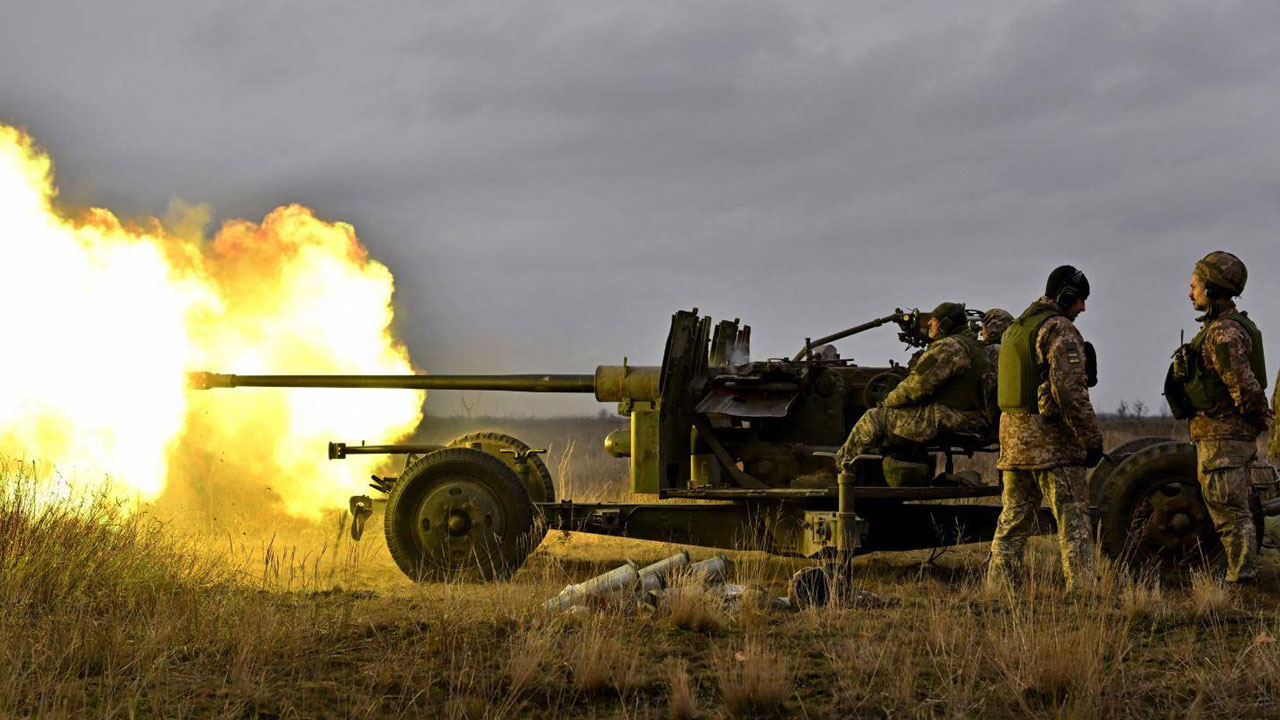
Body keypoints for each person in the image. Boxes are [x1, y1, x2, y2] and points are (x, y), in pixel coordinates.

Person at [987, 266, 1103, 593]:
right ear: (1065, 295)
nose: (1082, 308)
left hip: (1013, 444)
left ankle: (998, 592)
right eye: (1080, 299)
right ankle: (1083, 593)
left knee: (1012, 522)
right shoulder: (1059, 330)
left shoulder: (1015, 330)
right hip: (1052, 446)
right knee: (1074, 521)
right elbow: (1070, 391)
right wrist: (1091, 440)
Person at [1168, 251, 1271, 583]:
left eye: (1195, 285)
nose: (1190, 292)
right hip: (1218, 435)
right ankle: (1241, 575)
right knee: (1228, 508)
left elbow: (1244, 386)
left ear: (1212, 289)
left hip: (1224, 437)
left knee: (1231, 512)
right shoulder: (1218, 328)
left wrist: (1257, 418)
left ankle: (1243, 580)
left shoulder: (1223, 332)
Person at [836, 302, 991, 465]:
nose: (930, 323)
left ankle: (839, 469)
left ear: (945, 324)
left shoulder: (949, 347)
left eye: (934, 320)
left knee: (874, 418)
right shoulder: (976, 347)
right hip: (972, 419)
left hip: (950, 418)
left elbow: (915, 386)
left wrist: (886, 403)